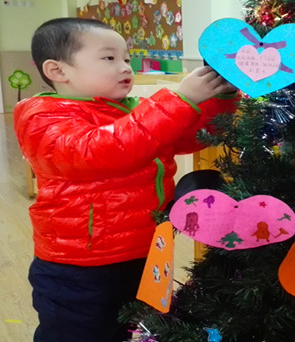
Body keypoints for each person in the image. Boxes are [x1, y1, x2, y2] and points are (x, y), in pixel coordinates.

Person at [13, 17, 239, 342]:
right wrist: (178, 99)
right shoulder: (43, 115)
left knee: (122, 328)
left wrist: (221, 97)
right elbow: (100, 151)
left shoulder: (131, 110)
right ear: (57, 71)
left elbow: (192, 136)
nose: (124, 67)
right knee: (77, 333)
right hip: (80, 264)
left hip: (141, 249)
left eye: (127, 59)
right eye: (109, 58)